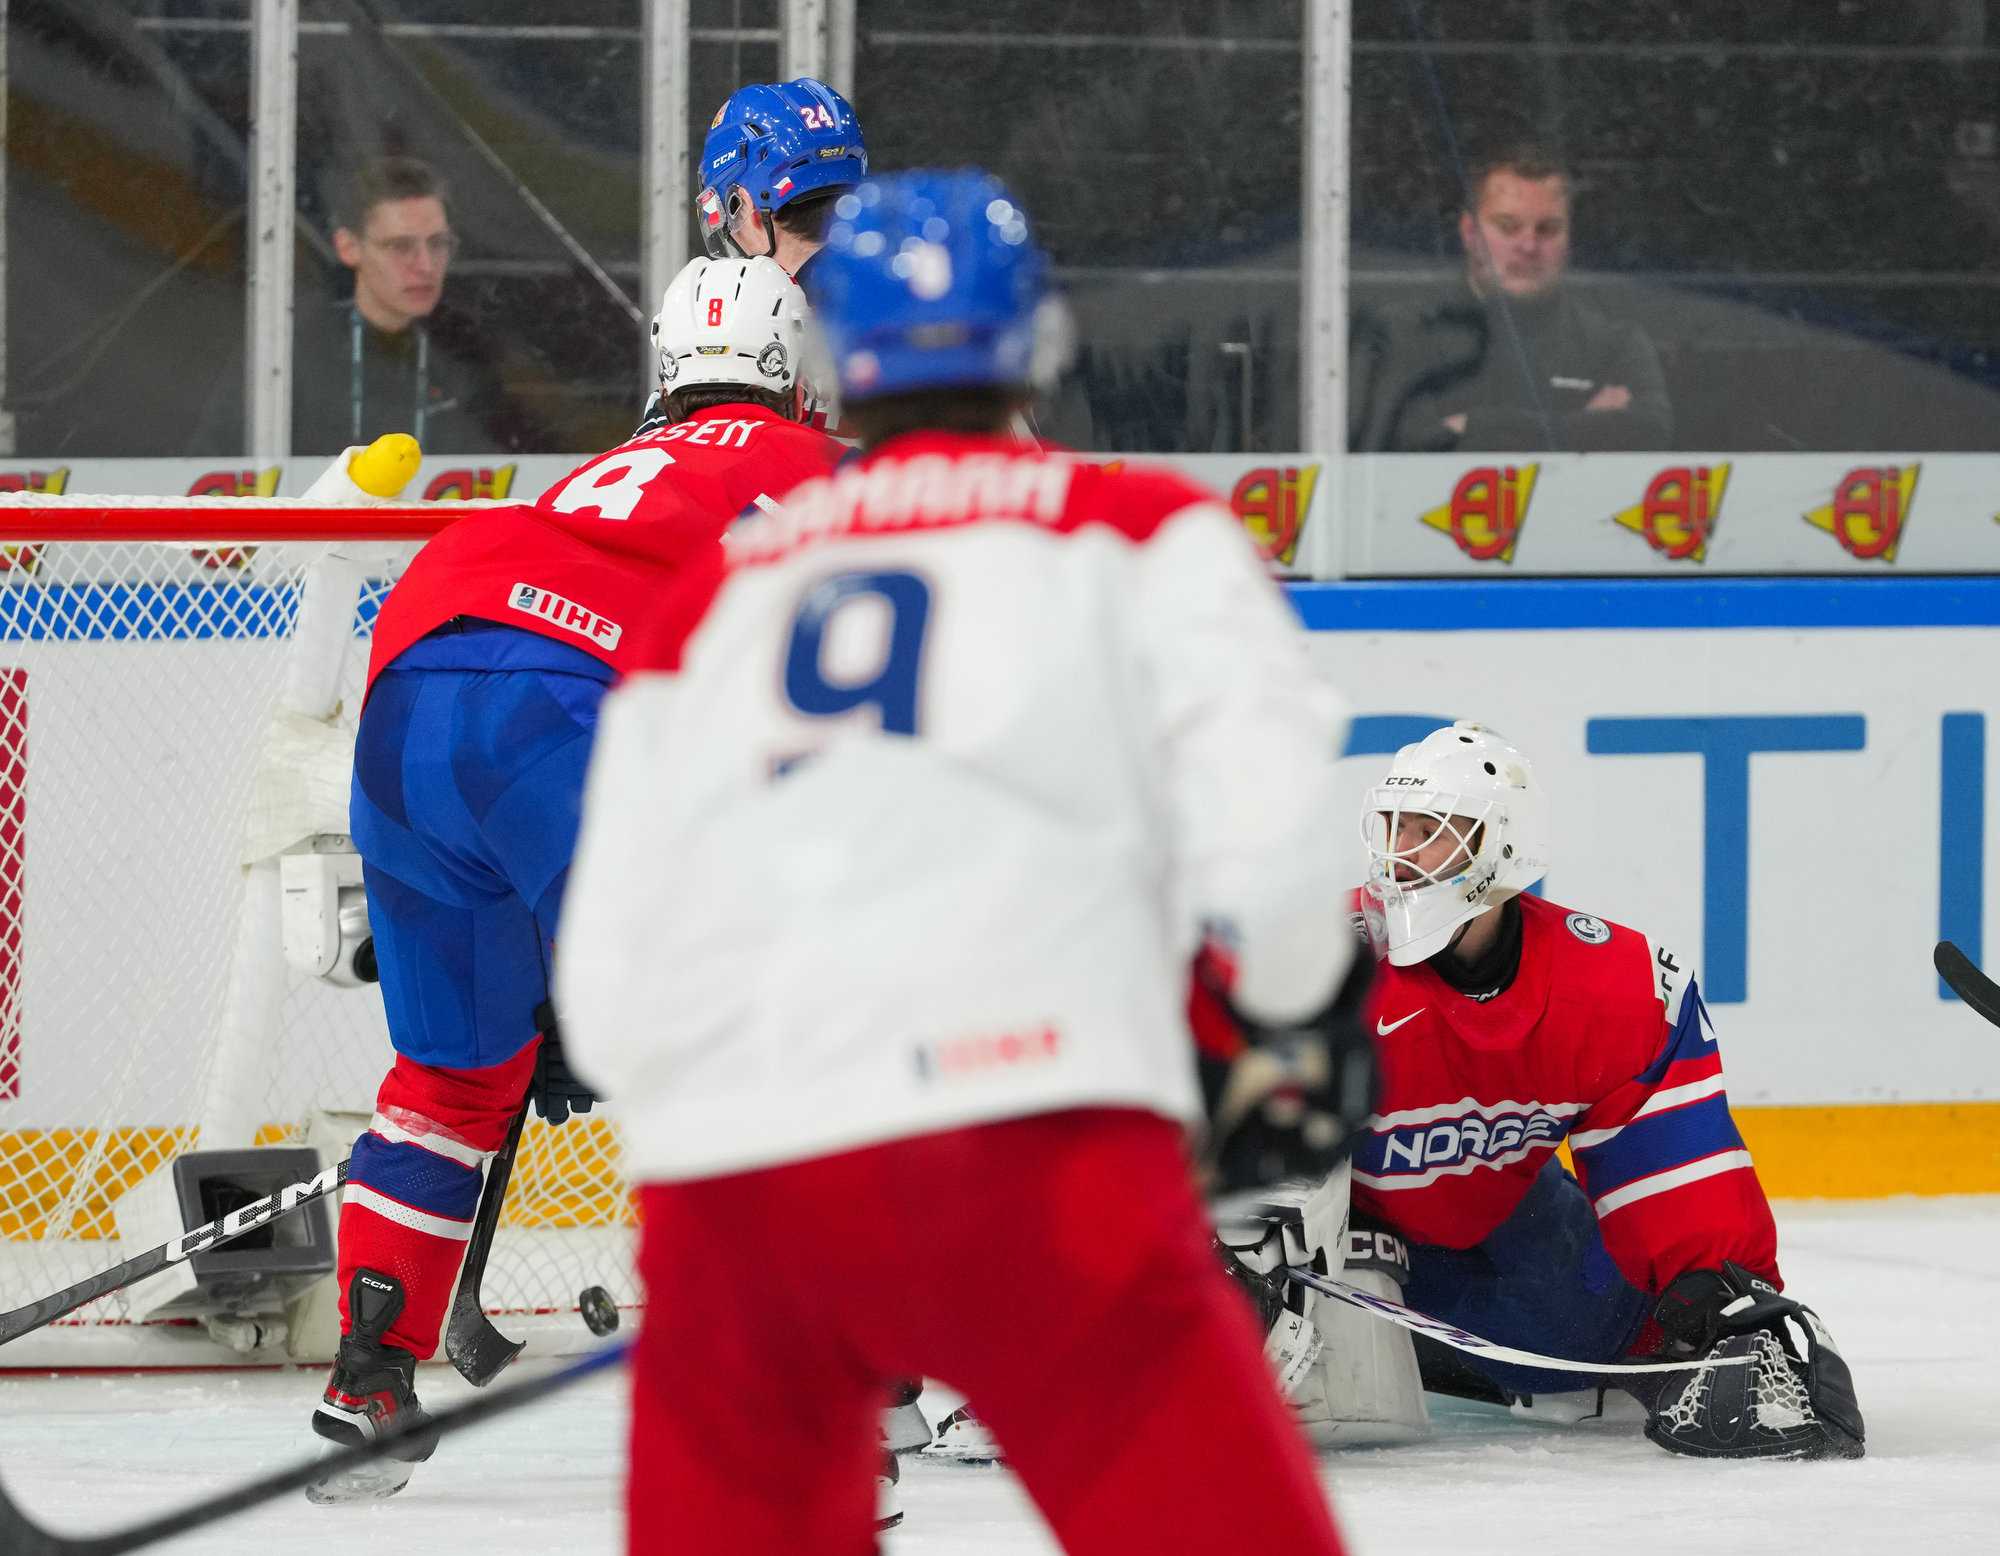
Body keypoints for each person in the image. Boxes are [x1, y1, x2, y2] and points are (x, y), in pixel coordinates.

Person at [556, 169, 1366, 1555]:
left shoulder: (713, 598)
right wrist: (1292, 1038)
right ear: (1037, 348)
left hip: (744, 1192)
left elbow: (603, 992)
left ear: (836, 369)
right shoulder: (1138, 532)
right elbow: (1280, 854)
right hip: (1036, 1149)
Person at [304, 254, 844, 1505]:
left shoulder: (600, 475)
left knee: (449, 1079)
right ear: (792, 372)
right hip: (557, 703)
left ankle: (369, 1372)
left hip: (412, 678)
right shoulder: (810, 470)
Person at [1338, 720, 1863, 1459]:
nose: (1400, 855)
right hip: (1325, 1259)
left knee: (1602, 1334)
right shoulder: (1317, 969)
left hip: (1498, 1224)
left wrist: (1713, 1292)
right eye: (1394, 829)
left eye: (1431, 832)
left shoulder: (1618, 991)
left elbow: (1673, 1163)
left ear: (1501, 847)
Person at [1349, 142, 1671, 453]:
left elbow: (1649, 431)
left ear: (1569, 238)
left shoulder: (1612, 345)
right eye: (1508, 226)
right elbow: (1399, 443)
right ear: (1469, 232)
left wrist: (1472, 428)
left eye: (1547, 229)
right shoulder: (1402, 334)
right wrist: (1582, 427)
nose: (1528, 246)